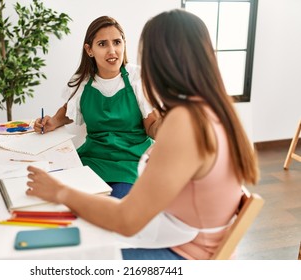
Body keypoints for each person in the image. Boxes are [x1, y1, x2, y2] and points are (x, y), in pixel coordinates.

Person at [26, 9, 259, 260]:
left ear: (159, 61)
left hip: (184, 254)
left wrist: (58, 191)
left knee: (67, 252)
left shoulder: (184, 121)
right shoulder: (210, 109)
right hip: (181, 239)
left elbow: (126, 219)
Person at [33, 16, 160, 198]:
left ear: (124, 43)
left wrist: (170, 119)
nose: (112, 51)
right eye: (102, 44)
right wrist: (52, 122)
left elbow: (152, 128)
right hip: (93, 159)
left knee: (114, 210)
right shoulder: (82, 82)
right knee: (60, 201)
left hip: (131, 162)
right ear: (89, 50)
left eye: (117, 42)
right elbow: (69, 110)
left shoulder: (137, 78)